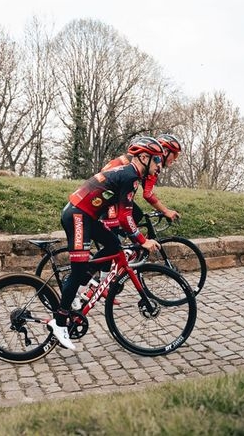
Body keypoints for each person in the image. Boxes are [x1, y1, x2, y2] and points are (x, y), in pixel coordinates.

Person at [48, 136, 164, 351]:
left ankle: (81, 280)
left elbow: (123, 215)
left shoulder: (132, 175)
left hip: (87, 215)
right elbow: (125, 217)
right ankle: (60, 322)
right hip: (78, 215)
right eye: (157, 159)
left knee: (113, 245)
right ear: (144, 157)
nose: (160, 165)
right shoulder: (130, 175)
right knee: (78, 269)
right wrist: (142, 240)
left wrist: (136, 238)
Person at [100, 133, 182, 232]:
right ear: (165, 151)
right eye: (175, 154)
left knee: (136, 214)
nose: (175, 159)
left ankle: (121, 239)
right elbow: (148, 194)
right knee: (115, 236)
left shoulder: (143, 156)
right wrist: (165, 211)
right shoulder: (153, 162)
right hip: (108, 192)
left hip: (108, 187)